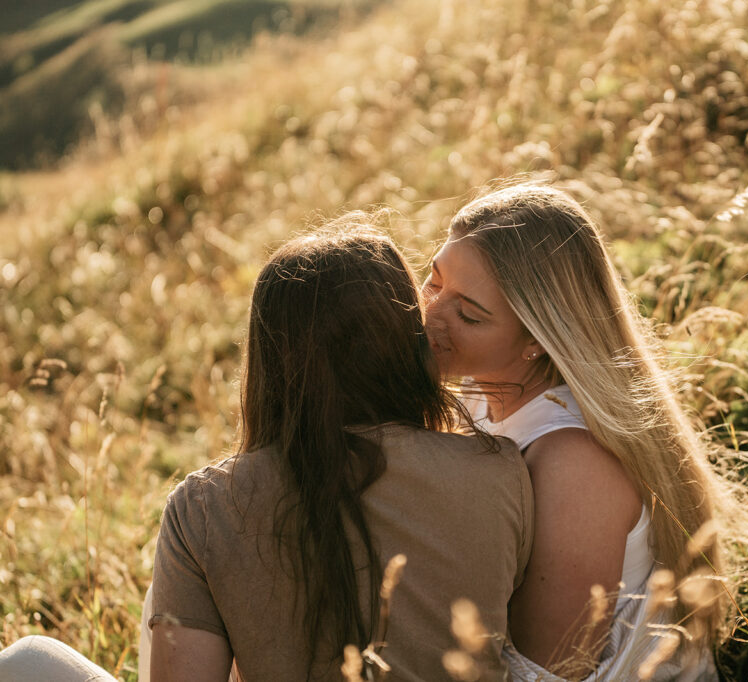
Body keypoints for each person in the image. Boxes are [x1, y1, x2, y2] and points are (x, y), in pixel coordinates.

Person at [2, 221, 534, 682]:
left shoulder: (205, 508)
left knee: (26, 661)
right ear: (406, 338)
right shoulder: (499, 472)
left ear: (268, 362)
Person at [423, 182, 748, 680]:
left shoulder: (573, 464)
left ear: (537, 339)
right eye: (433, 280)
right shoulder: (479, 388)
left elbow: (548, 671)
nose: (430, 313)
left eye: (469, 314)